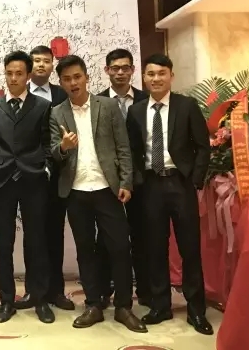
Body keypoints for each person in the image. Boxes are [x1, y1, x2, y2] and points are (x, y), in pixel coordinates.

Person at [49, 55, 146, 332]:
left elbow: (123, 147)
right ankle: (93, 304)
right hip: (76, 191)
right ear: (61, 83)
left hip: (107, 188)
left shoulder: (108, 105)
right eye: (67, 79)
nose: (73, 83)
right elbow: (53, 153)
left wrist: (126, 182)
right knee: (85, 250)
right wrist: (64, 147)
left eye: (77, 77)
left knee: (120, 247)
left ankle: (124, 306)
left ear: (87, 77)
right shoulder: (57, 113)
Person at [126, 53, 213, 335]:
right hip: (150, 186)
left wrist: (195, 180)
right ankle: (160, 306)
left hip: (180, 183)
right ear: (144, 78)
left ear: (171, 76)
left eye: (161, 73)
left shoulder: (186, 106)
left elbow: (203, 146)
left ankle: (196, 310)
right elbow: (132, 150)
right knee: (154, 248)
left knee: (190, 248)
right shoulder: (136, 111)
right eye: (151, 74)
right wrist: (137, 180)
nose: (156, 79)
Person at [0, 50, 54, 324]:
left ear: (28, 76)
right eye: (9, 73)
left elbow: (47, 142)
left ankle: (39, 299)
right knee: (4, 244)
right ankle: (6, 301)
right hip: (2, 180)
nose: (13, 78)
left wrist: (44, 166)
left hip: (33, 180)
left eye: (19, 74)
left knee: (37, 241)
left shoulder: (42, 106)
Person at [17, 45, 72, 312]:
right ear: (30, 66)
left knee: (54, 233)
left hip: (58, 173)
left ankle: (56, 291)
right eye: (36, 60)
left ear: (53, 65)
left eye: (46, 61)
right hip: (29, 175)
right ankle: (33, 290)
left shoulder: (62, 94)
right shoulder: (20, 94)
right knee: (33, 235)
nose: (41, 65)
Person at [96, 48, 149, 307]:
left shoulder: (146, 100)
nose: (120, 73)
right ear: (107, 70)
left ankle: (145, 290)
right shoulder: (96, 102)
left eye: (125, 68)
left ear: (132, 70)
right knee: (106, 238)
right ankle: (104, 289)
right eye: (115, 68)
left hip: (142, 178)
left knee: (142, 234)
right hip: (106, 180)